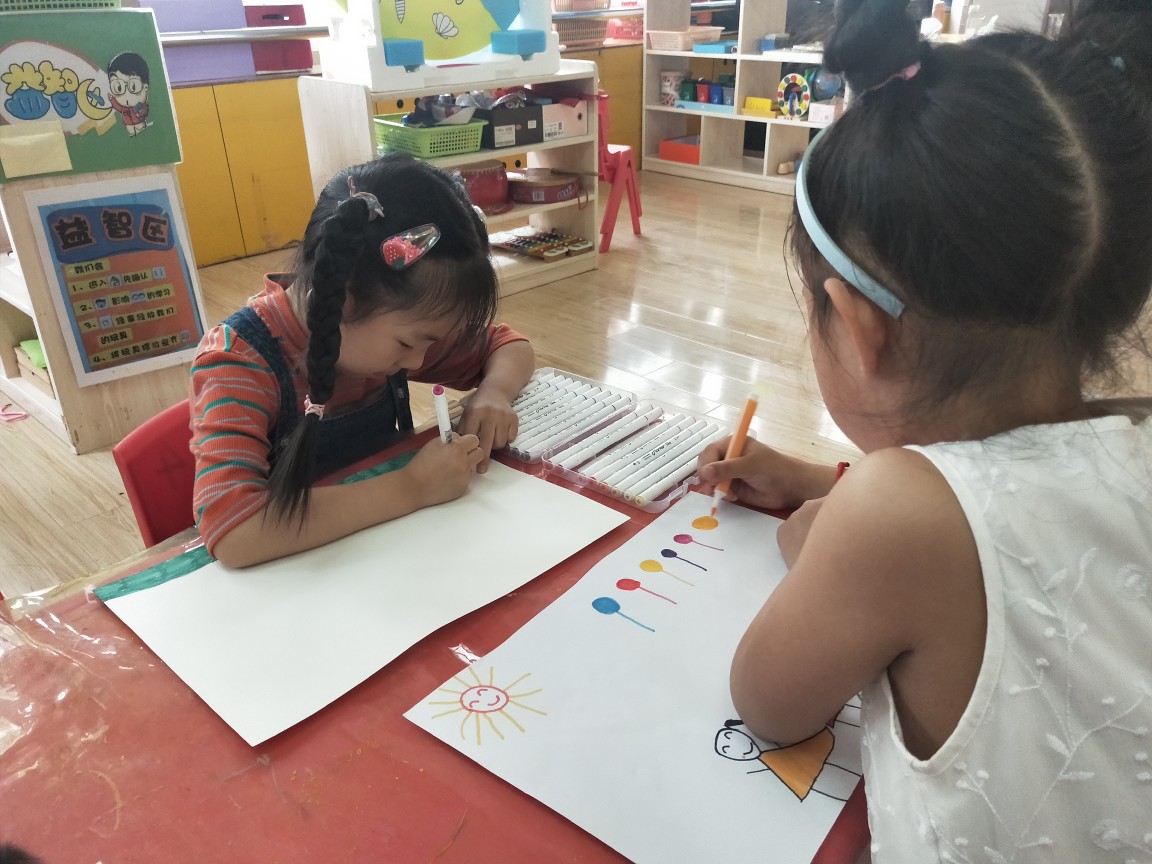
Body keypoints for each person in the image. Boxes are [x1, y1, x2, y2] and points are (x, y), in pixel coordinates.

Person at [696, 0, 1152, 858]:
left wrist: (821, 543)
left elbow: (766, 705)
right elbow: (1024, 509)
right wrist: (820, 481)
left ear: (857, 327)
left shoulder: (892, 517)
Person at [191, 155, 534, 568]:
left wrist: (493, 392)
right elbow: (235, 530)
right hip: (297, 580)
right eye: (408, 343)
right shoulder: (239, 362)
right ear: (345, 303)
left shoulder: (383, 330)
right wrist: (411, 487)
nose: (418, 362)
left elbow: (509, 346)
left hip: (380, 558)